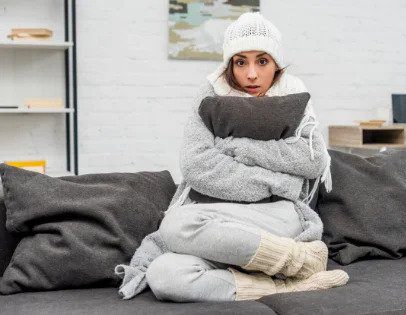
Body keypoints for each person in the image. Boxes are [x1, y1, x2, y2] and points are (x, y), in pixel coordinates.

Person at [143, 12, 349, 302]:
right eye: (241, 62)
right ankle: (291, 275)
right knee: (164, 275)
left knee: (177, 225)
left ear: (276, 63)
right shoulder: (210, 94)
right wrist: (277, 179)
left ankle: (282, 260)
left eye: (262, 61)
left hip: (276, 217)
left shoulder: (293, 93)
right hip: (218, 222)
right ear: (230, 64)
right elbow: (196, 165)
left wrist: (239, 147)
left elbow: (312, 159)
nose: (251, 74)